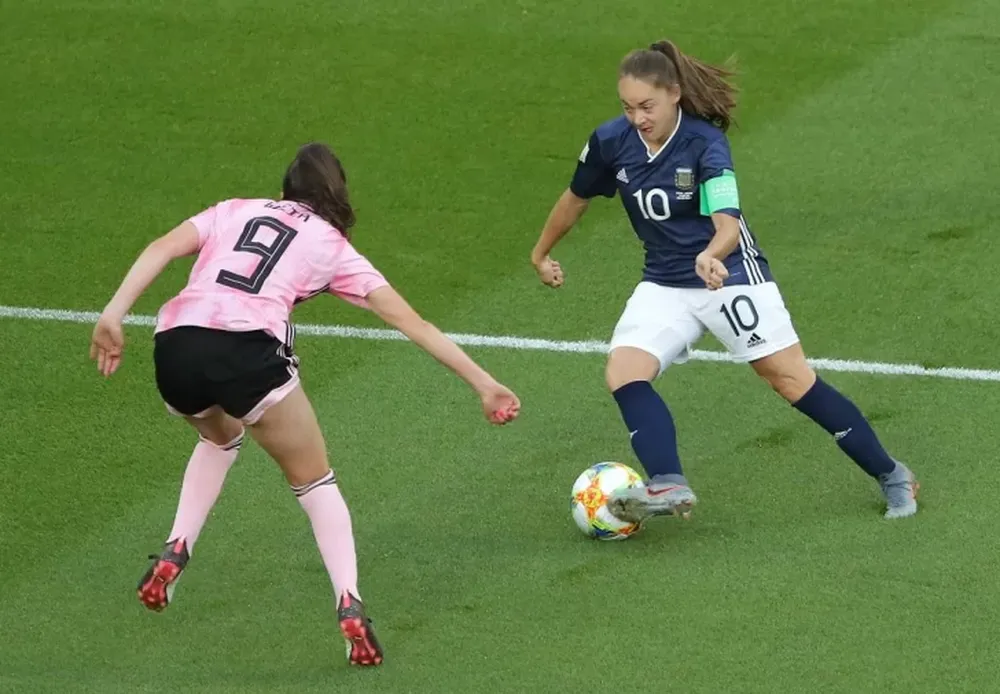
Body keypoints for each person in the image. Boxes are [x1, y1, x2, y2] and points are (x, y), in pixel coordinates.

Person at [89, 142, 521, 667]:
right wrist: (484, 384)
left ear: (284, 191)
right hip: (248, 350)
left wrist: (113, 313)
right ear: (336, 195)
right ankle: (349, 603)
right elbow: (413, 323)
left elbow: (161, 247)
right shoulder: (334, 247)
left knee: (220, 436)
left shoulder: (236, 209)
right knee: (315, 481)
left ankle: (177, 548)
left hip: (176, 343)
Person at [529, 39, 918, 523]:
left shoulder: (705, 144)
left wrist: (711, 256)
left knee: (790, 380)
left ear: (673, 94)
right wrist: (541, 252)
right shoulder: (611, 141)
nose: (637, 118)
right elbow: (576, 198)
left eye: (646, 106)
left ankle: (892, 474)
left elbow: (727, 224)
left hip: (729, 275)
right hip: (664, 281)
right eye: (628, 108)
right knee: (624, 372)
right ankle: (668, 482)